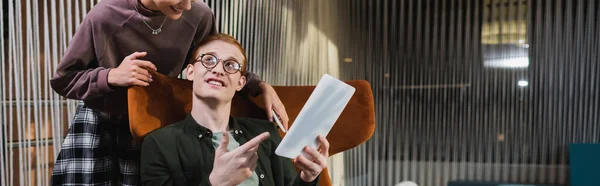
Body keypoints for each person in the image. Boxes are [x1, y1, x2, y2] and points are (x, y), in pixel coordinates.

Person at [49, 0, 289, 185]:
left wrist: (259, 86)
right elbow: (63, 80)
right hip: (102, 123)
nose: (186, 6)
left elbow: (214, 59)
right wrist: (111, 76)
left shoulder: (199, 14)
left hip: (156, 120)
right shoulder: (104, 15)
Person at [140, 33, 330, 186]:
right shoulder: (159, 144)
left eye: (230, 65)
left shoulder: (266, 132)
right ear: (190, 72)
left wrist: (308, 179)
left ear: (240, 83)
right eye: (208, 60)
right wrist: (216, 183)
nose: (218, 69)